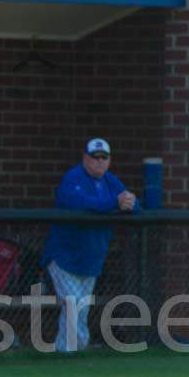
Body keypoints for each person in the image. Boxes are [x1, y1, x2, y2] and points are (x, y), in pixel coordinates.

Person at [41, 138, 140, 353]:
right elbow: (83, 204)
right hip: (63, 258)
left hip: (91, 260)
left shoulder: (110, 182)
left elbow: (132, 203)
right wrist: (115, 203)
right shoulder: (73, 178)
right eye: (94, 157)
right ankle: (71, 351)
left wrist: (130, 202)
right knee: (73, 305)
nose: (99, 162)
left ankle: (68, 350)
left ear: (109, 160)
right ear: (85, 158)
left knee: (80, 308)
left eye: (104, 158)